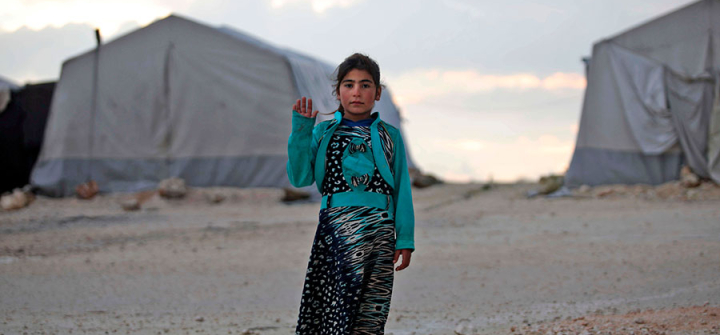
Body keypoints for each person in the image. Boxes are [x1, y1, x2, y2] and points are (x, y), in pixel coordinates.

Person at [287, 53, 415, 334]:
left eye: (365, 85)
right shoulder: (322, 133)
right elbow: (299, 178)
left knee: (371, 312)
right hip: (335, 233)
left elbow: (402, 188)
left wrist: (404, 237)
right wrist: (301, 131)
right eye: (349, 84)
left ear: (377, 92)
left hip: (379, 233)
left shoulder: (389, 135)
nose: (356, 92)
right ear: (338, 91)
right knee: (333, 310)